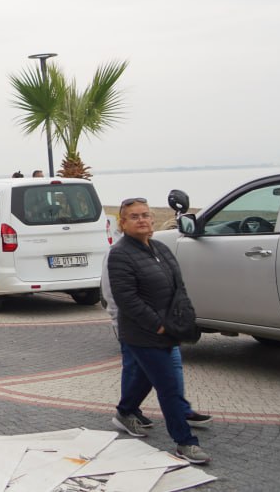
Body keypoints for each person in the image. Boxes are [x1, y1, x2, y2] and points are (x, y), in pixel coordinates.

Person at [107, 198, 211, 465]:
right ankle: (185, 442)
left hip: (169, 329)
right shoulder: (120, 254)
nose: (141, 220)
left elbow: (178, 286)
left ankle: (125, 411)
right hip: (144, 334)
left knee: (145, 378)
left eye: (145, 215)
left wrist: (184, 314)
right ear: (123, 223)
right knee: (169, 386)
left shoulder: (161, 249)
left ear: (152, 219)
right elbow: (127, 299)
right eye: (134, 216)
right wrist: (158, 324)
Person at [101, 254, 212, 432]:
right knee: (135, 369)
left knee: (173, 364)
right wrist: (118, 319)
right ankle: (129, 411)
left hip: (162, 324)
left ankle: (181, 410)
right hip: (133, 326)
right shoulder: (118, 253)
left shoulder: (156, 249)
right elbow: (112, 293)